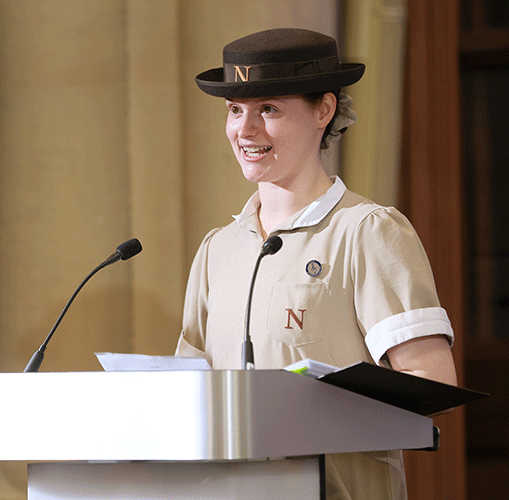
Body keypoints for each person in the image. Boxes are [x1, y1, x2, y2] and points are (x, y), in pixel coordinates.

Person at [176, 28, 457, 500]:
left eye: (268, 109)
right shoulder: (217, 249)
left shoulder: (367, 231)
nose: (245, 130)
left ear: (323, 111)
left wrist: (309, 405)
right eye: (235, 110)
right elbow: (189, 395)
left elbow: (432, 382)